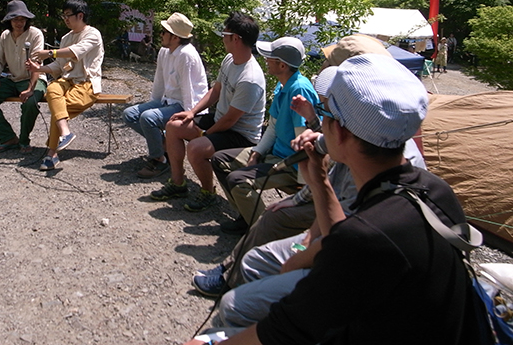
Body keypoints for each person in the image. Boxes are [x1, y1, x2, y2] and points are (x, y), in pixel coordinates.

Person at [184, 53, 478, 345]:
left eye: (323, 115)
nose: (318, 124)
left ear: (338, 130)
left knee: (234, 305)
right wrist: (319, 180)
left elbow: (286, 328)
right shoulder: (436, 190)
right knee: (256, 266)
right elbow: (342, 237)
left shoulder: (365, 240)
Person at [149, 12, 266, 212]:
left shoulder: (250, 77)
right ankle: (178, 184)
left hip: (241, 134)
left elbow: (231, 120)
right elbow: (216, 90)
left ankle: (207, 193)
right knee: (174, 126)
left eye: (225, 34)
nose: (222, 37)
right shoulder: (230, 60)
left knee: (196, 147)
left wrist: (204, 135)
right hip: (222, 120)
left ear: (235, 39)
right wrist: (192, 112)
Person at [211, 37, 319, 235]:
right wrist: (257, 153)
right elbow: (273, 128)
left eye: (270, 57)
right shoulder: (282, 85)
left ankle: (265, 233)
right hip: (275, 153)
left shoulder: (299, 89)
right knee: (220, 159)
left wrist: (304, 187)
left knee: (239, 180)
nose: (265, 60)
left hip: (291, 164)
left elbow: (305, 141)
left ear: (282, 65)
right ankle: (247, 216)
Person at [123, 13, 208, 178]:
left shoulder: (186, 55)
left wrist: (190, 117)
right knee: (130, 114)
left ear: (175, 37)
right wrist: (152, 104)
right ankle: (164, 145)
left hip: (184, 105)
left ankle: (159, 159)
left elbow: (188, 89)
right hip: (167, 101)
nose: (160, 34)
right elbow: (159, 82)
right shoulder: (164, 51)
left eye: (164, 31)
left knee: (148, 118)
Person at [27, 0, 104, 172]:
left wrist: (50, 52)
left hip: (86, 83)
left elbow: (75, 52)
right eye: (64, 16)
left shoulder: (93, 34)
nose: (65, 19)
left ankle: (51, 154)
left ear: (80, 15)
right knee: (52, 89)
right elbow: (59, 66)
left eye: (68, 15)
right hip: (66, 80)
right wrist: (39, 68)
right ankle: (65, 133)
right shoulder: (66, 37)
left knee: (59, 108)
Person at [0, 0, 47, 153]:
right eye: (15, 19)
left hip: (33, 79)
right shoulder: (5, 36)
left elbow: (37, 64)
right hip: (13, 78)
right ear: (9, 20)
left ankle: (24, 140)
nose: (19, 22)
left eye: (22, 19)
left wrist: (30, 88)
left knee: (31, 103)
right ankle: (8, 137)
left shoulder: (35, 34)